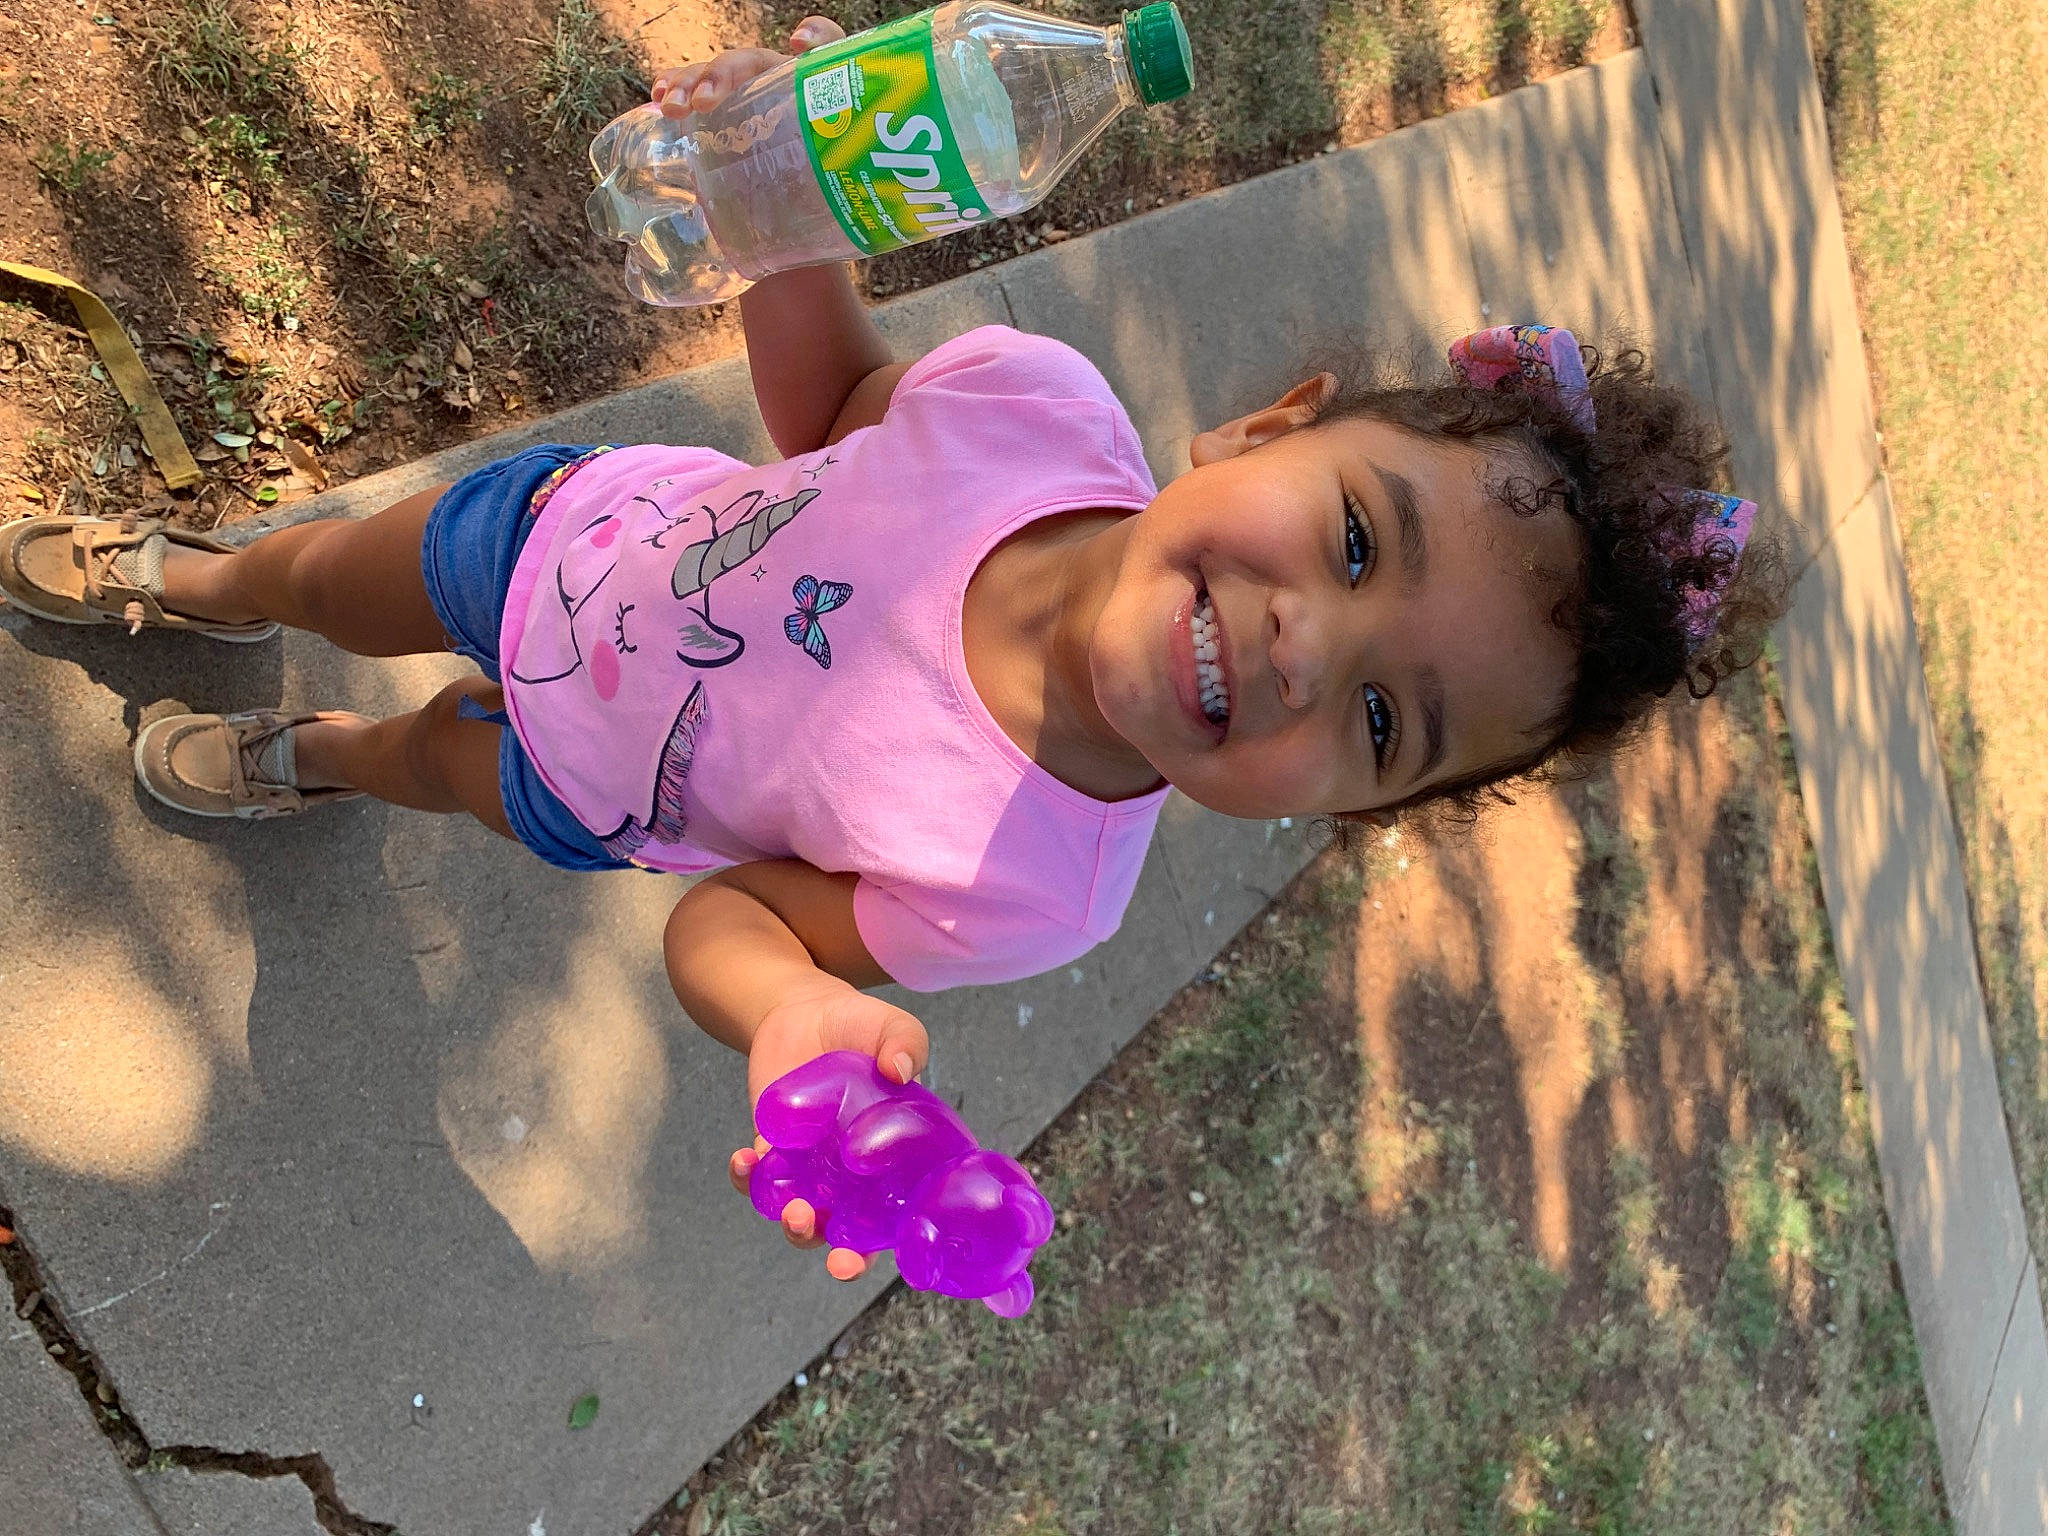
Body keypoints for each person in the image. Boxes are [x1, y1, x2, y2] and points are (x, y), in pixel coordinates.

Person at [0, 17, 1781, 1285]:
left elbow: (739, 914)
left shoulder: (1040, 894)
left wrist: (789, 1016)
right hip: (569, 535)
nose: (1314, 649)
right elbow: (835, 409)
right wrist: (780, 217)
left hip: (590, 781)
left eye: (1393, 718)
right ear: (1261, 429)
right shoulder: (1039, 404)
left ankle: (318, 757)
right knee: (331, 568)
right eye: (1357, 537)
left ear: (1340, 807)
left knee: (432, 765)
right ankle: (203, 581)